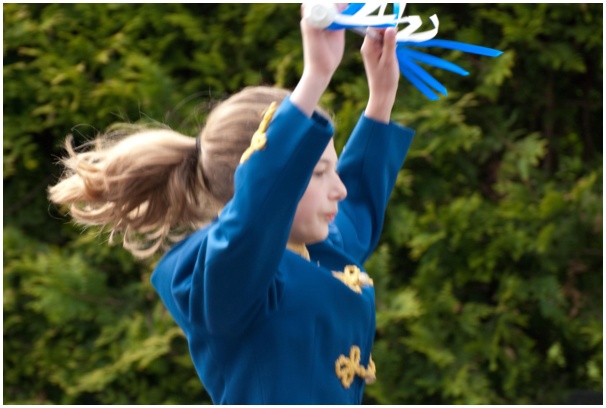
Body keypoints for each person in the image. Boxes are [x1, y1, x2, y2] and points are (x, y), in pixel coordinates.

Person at [49, 4, 415, 404]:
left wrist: (381, 100)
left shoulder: (314, 250)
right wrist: (315, 78)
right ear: (266, 180)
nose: (339, 189)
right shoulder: (225, 275)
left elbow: (355, 208)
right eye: (317, 173)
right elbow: (253, 220)